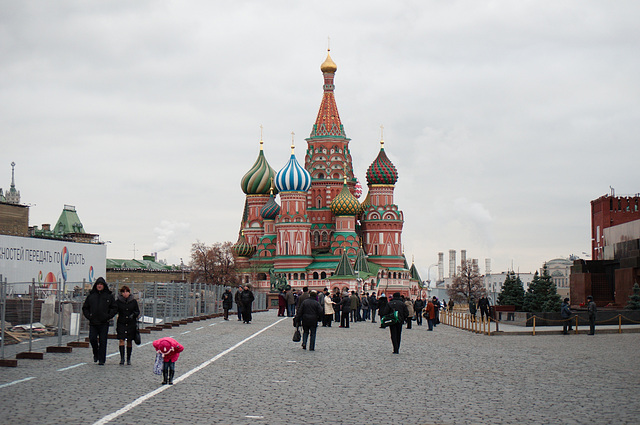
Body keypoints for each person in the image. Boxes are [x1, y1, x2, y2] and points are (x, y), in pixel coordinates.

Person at [82, 277, 117, 365]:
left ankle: (102, 359)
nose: (99, 286)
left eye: (101, 284)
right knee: (92, 339)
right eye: (98, 284)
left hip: (104, 322)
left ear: (104, 285)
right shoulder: (91, 296)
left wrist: (108, 316)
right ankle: (96, 353)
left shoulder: (109, 296)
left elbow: (114, 308)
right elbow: (85, 308)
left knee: (103, 341)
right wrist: (89, 316)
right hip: (93, 322)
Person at [115, 285, 140, 365]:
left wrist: (133, 315)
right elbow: (114, 310)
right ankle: (122, 358)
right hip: (121, 322)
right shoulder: (118, 302)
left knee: (129, 340)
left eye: (127, 292)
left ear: (129, 292)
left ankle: (128, 359)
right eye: (123, 292)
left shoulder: (133, 301)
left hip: (131, 323)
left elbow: (137, 311)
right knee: (121, 339)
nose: (125, 293)